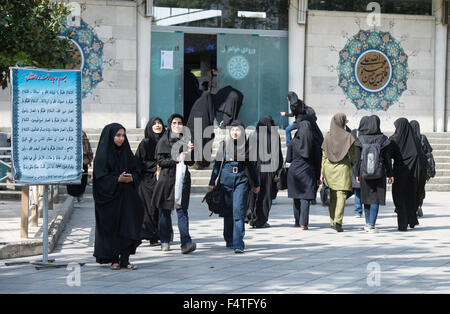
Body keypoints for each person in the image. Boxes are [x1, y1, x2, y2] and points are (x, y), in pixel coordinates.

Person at [93, 123, 143, 270]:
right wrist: (116, 179)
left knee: (128, 226)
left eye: (123, 135)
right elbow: (100, 177)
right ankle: (114, 259)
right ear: (110, 136)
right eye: (118, 135)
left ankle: (125, 260)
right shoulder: (103, 155)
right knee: (112, 228)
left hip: (127, 197)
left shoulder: (127, 153)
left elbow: (138, 170)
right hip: (109, 200)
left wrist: (132, 177)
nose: (121, 139)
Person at [209, 120, 260, 253]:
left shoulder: (248, 146)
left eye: (238, 130)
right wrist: (212, 181)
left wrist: (256, 183)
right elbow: (217, 164)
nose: (235, 132)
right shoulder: (224, 145)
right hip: (225, 181)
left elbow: (252, 166)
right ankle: (229, 238)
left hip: (241, 181)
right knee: (227, 212)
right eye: (232, 130)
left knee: (238, 211)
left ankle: (238, 243)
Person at [152, 114, 197, 254]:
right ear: (170, 124)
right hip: (167, 179)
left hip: (182, 179)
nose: (177, 125)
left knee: (182, 211)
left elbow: (190, 162)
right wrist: (176, 158)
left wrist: (190, 152)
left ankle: (186, 243)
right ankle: (165, 241)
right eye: (174, 123)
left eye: (180, 123)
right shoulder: (164, 141)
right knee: (165, 211)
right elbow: (160, 161)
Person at [354, 115, 394, 233]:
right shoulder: (383, 139)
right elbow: (387, 159)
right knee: (375, 198)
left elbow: (357, 160)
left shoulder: (360, 139)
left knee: (366, 197)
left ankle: (367, 223)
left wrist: (357, 173)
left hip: (364, 172)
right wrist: (390, 174)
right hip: (379, 172)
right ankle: (372, 224)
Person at [389, 118, 426, 231]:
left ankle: (402, 224)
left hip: (399, 175)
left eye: (396, 126)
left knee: (399, 197)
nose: (395, 129)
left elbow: (388, 155)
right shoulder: (415, 141)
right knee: (411, 197)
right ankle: (412, 220)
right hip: (413, 176)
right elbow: (421, 159)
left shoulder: (394, 140)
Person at [247, 116, 283, 228]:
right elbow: (279, 156)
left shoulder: (253, 135)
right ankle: (261, 220)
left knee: (253, 193)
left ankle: (250, 216)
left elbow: (247, 153)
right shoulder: (275, 136)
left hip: (255, 168)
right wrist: (277, 171)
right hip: (269, 170)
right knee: (265, 195)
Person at [321, 113, 355, 232]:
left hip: (329, 169)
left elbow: (324, 156)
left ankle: (331, 221)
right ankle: (338, 221)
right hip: (342, 169)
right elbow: (353, 156)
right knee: (341, 195)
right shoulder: (348, 137)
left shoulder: (327, 137)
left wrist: (322, 172)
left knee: (332, 195)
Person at [135, 117, 165, 246]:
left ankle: (159, 234)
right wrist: (156, 166)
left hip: (162, 180)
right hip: (147, 181)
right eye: (155, 124)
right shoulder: (145, 143)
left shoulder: (166, 141)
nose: (158, 126)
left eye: (159, 123)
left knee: (160, 209)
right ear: (150, 127)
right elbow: (138, 162)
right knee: (148, 208)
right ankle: (148, 234)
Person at [287, 119, 322, 230]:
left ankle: (297, 221)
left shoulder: (293, 142)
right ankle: (304, 223)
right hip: (308, 172)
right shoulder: (315, 143)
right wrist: (318, 177)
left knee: (296, 197)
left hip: (294, 173)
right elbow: (318, 162)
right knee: (305, 198)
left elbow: (288, 159)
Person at [410, 120, 434, 218]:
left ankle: (412, 207)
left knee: (411, 187)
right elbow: (428, 153)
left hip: (411, 167)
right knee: (420, 187)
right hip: (422, 167)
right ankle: (418, 206)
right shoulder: (422, 138)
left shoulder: (409, 138)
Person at [187, 91, 216, 169]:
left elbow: (189, 121)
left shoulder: (197, 105)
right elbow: (211, 116)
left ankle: (194, 162)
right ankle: (203, 163)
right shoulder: (207, 106)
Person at [350, 117, 369, 218]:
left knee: (357, 190)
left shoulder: (353, 133)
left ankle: (358, 211)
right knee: (363, 189)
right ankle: (364, 210)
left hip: (355, 165)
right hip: (365, 165)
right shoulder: (368, 135)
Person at [67, 131, 93, 202]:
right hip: (71, 160)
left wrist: (88, 158)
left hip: (82, 160)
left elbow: (87, 146)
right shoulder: (68, 132)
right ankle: (74, 196)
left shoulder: (82, 133)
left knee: (82, 179)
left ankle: (80, 195)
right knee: (72, 179)